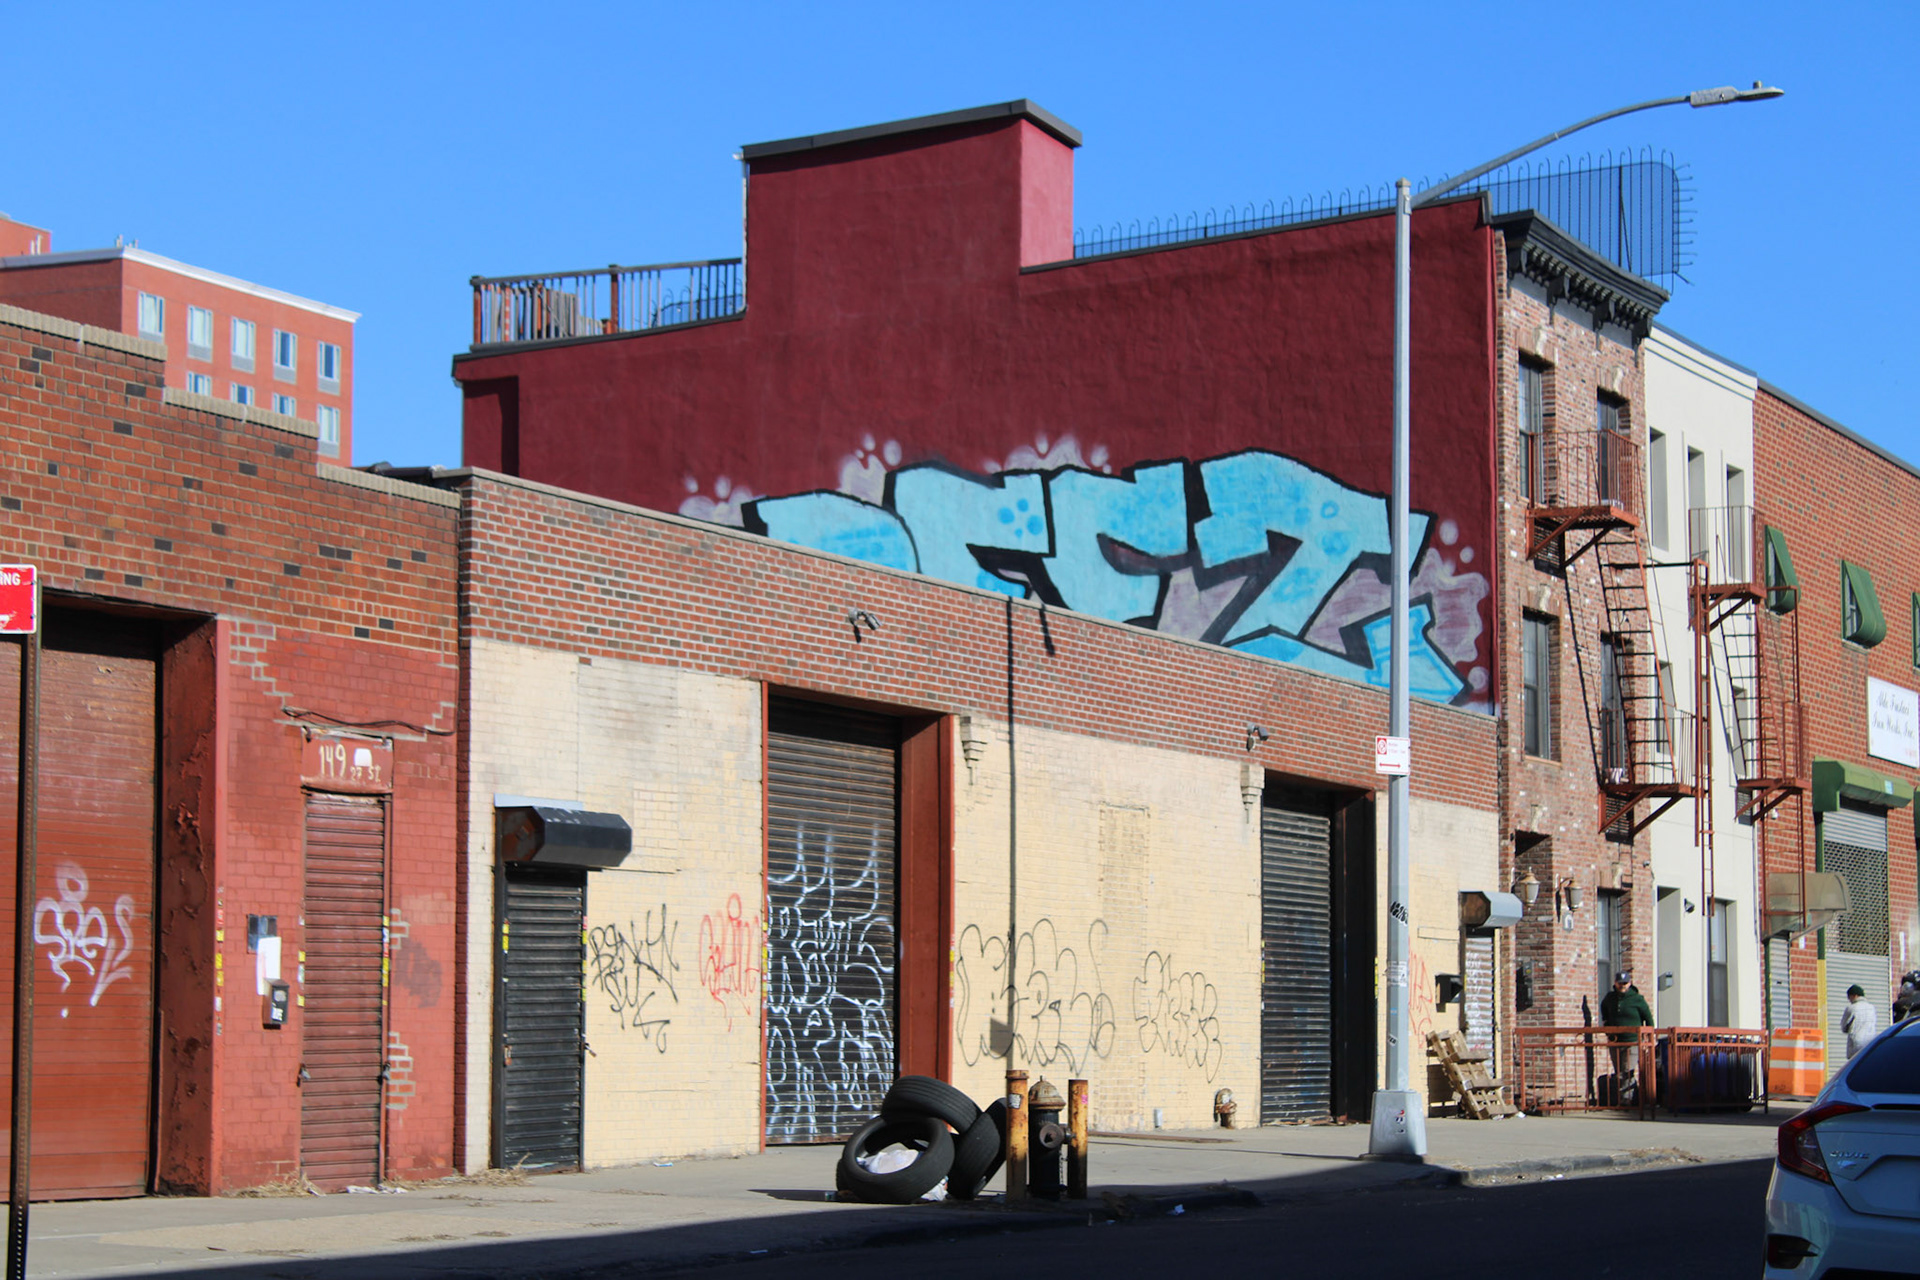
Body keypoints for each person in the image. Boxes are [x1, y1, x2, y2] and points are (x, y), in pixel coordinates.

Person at [1600, 971, 1654, 1082]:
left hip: (1632, 1042)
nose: (1622, 986)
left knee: (1627, 1072)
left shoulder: (1637, 999)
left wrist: (1649, 1038)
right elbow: (1604, 1010)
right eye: (1620, 983)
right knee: (1618, 1074)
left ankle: (1629, 1093)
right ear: (1615, 983)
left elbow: (1648, 1018)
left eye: (1625, 983)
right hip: (1615, 1041)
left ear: (1630, 983)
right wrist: (1607, 1028)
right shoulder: (1610, 998)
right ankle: (1623, 1093)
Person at [1841, 983, 1878, 1058]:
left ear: (1854, 996)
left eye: (1849, 997)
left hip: (1856, 1045)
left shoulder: (1851, 1008)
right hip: (1870, 1044)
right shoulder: (1872, 1008)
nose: (1849, 1000)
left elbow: (1844, 1027)